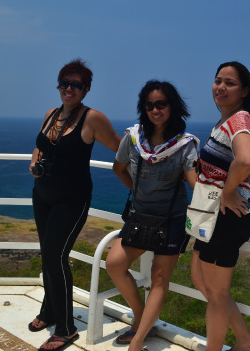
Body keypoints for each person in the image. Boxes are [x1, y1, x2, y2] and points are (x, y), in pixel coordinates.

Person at [29, 60, 121, 351]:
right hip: (42, 195)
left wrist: (141, 173)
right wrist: (35, 161)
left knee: (56, 256)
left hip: (72, 200)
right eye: (64, 83)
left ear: (86, 89)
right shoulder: (50, 114)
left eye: (76, 85)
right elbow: (42, 144)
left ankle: (67, 329)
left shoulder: (93, 118)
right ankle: (49, 311)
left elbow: (121, 148)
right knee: (48, 255)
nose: (69, 89)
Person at [106, 81, 199, 350]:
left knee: (159, 278)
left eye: (161, 104)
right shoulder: (134, 138)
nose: (155, 110)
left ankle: (138, 339)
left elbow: (194, 183)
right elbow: (118, 168)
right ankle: (139, 316)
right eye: (150, 105)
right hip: (140, 216)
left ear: (172, 106)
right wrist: (137, 192)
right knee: (114, 264)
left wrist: (224, 191)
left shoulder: (184, 145)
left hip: (171, 220)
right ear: (143, 107)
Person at [190, 62, 250, 351]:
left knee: (218, 294)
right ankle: (246, 341)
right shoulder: (227, 121)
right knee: (200, 280)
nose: (221, 87)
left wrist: (226, 191)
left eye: (230, 83)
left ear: (244, 91)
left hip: (226, 217)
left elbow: (245, 160)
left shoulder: (240, 120)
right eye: (217, 80)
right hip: (208, 213)